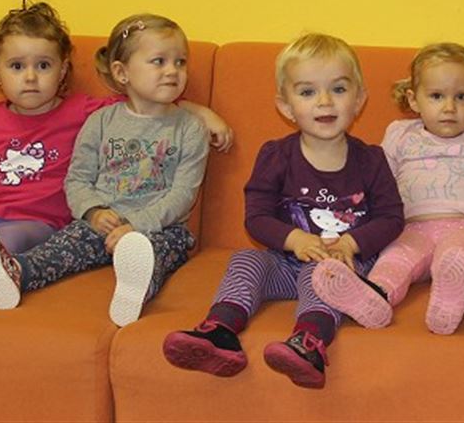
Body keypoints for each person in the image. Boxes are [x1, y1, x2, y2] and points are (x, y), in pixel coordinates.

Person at [162, 33, 404, 389]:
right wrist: (295, 239)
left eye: (338, 89)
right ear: (286, 107)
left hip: (343, 266)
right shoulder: (276, 155)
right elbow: (257, 218)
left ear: (359, 100)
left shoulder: (371, 159)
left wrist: (350, 244)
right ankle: (220, 331)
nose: (324, 101)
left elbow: (392, 218)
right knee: (246, 259)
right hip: (285, 264)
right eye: (307, 92)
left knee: (323, 273)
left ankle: (309, 343)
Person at [0, 13, 211, 327]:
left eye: (180, 62)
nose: (172, 70)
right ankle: (15, 274)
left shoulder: (190, 129)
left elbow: (183, 194)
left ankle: (134, 288)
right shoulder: (100, 120)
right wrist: (92, 212)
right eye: (159, 61)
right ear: (122, 72)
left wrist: (137, 225)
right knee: (60, 249)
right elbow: (77, 178)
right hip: (99, 223)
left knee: (160, 250)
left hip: (161, 227)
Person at [0, 0, 233, 253]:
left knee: (7, 240)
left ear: (62, 70)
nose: (30, 77)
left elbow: (144, 102)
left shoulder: (84, 111)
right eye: (17, 66)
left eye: (43, 65)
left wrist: (200, 111)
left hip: (37, 223)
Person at [311, 43, 464, 335]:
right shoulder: (400, 135)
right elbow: (378, 189)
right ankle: (375, 297)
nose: (449, 107)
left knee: (457, 256)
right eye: (436, 96)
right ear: (414, 99)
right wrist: (358, 236)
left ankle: (449, 299)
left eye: (461, 97)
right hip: (409, 229)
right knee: (393, 262)